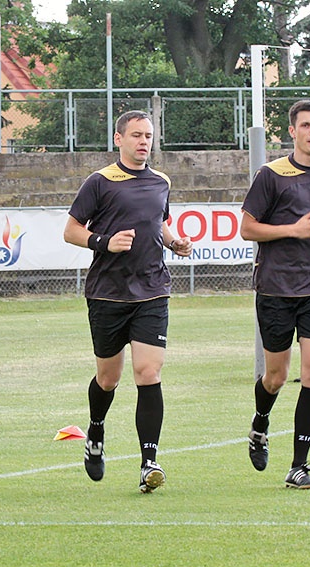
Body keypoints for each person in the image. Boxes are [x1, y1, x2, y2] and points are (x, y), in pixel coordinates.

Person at [63, 110, 193, 493]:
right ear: (118, 139)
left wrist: (174, 242)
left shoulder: (161, 181)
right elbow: (71, 231)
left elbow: (160, 223)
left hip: (153, 290)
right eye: (136, 135)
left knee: (148, 373)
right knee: (109, 378)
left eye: (148, 135)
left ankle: (149, 461)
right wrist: (105, 242)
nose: (143, 142)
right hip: (107, 294)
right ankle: (96, 430)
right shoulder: (99, 182)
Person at [240, 100, 310, 490]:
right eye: (306, 126)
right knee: (276, 376)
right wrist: (291, 231)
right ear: (292, 131)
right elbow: (248, 229)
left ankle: (299, 465)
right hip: (276, 288)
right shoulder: (271, 175)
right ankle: (260, 423)